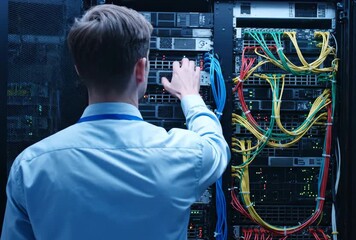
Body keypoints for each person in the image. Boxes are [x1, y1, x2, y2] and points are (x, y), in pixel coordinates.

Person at [1, 4, 230, 240]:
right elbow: (216, 144)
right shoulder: (186, 154)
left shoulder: (30, 167)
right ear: (141, 69)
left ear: (78, 69)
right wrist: (191, 97)